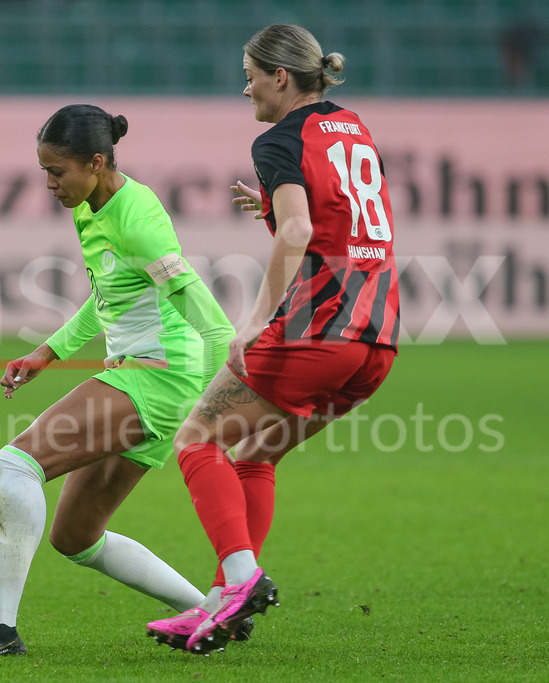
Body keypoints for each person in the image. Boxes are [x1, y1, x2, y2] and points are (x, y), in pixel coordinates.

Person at [0, 104, 237, 656]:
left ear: (96, 162)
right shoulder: (93, 205)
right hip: (151, 379)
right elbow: (109, 293)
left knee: (17, 462)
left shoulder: (136, 220)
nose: (48, 184)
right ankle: (214, 614)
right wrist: (50, 351)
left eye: (57, 171)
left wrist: (209, 406)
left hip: (162, 379)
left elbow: (213, 323)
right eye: (44, 171)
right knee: (75, 536)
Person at [145, 24, 400, 655]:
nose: (246, 86)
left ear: (280, 76)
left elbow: (297, 231)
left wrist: (256, 319)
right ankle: (219, 608)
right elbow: (338, 219)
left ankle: (239, 579)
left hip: (317, 331)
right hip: (378, 338)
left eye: (251, 72)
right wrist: (268, 208)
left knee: (196, 440)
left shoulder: (277, 140)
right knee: (255, 456)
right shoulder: (352, 126)